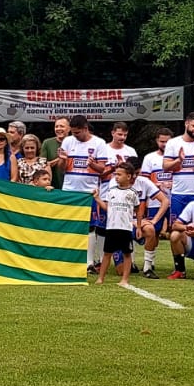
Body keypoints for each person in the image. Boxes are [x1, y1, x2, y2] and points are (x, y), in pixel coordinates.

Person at [59, 114, 107, 270]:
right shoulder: (67, 141)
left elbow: (103, 169)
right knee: (69, 225)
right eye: (72, 132)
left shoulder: (99, 143)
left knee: (90, 227)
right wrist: (63, 160)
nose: (75, 135)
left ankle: (89, 262)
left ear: (85, 128)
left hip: (89, 192)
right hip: (69, 190)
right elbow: (61, 168)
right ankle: (69, 259)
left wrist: (93, 165)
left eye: (77, 132)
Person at [95, 162, 145, 286]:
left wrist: (138, 226)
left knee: (127, 253)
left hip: (126, 228)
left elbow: (138, 210)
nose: (116, 177)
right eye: (115, 174)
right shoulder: (111, 191)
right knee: (107, 253)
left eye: (119, 174)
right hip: (112, 227)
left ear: (129, 176)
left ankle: (125, 279)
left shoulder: (133, 193)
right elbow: (107, 207)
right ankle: (101, 278)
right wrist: (97, 198)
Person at [138, 129, 173, 277]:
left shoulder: (177, 157)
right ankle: (150, 262)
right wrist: (156, 186)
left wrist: (173, 183)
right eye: (162, 141)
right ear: (157, 141)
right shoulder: (150, 158)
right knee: (155, 232)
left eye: (167, 141)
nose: (164, 144)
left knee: (175, 231)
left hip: (174, 200)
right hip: (155, 202)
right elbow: (143, 181)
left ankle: (179, 265)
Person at [40, 117, 68, 189]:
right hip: (52, 187)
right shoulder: (47, 143)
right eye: (56, 126)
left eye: (62, 126)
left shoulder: (75, 142)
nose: (58, 129)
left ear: (69, 128)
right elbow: (42, 165)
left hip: (71, 185)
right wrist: (60, 158)